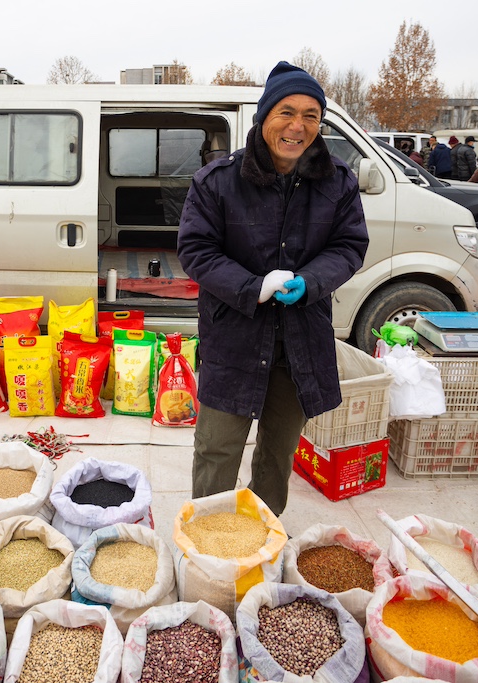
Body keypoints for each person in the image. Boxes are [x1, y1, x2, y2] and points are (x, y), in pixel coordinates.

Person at [176, 61, 369, 516]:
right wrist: (253, 286)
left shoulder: (337, 181)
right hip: (235, 334)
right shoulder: (218, 181)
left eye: (311, 115)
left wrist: (311, 282)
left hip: (301, 337)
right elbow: (196, 250)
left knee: (277, 451)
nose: (297, 126)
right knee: (217, 449)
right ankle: (208, 538)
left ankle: (261, 532)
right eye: (286, 112)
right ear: (264, 117)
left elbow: (349, 245)